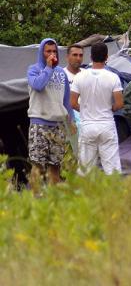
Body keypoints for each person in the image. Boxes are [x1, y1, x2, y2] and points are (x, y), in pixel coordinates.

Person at [70, 43, 123, 174]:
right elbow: (119, 103)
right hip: (107, 125)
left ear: (91, 56)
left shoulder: (79, 76)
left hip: (87, 125)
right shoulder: (113, 77)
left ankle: (85, 194)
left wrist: (85, 110)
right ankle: (114, 194)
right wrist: (110, 109)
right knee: (112, 169)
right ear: (107, 57)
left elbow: (73, 103)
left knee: (85, 169)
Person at [26, 39, 72, 189]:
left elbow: (66, 101)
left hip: (58, 126)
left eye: (54, 51)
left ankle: (54, 201)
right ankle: (34, 201)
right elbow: (38, 85)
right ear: (42, 52)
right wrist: (48, 67)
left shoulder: (62, 73)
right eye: (48, 51)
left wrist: (71, 122)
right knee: (38, 166)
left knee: (55, 166)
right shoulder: (33, 69)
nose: (52, 54)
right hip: (39, 123)